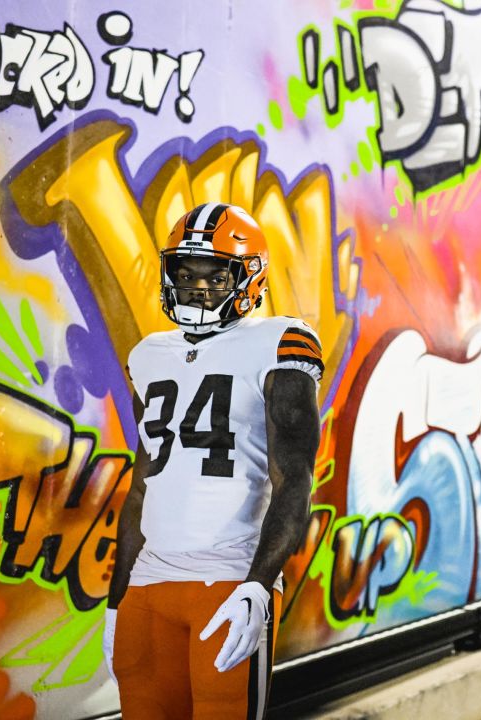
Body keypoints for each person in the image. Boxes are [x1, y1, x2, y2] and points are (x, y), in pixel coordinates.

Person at [103, 203, 322, 719]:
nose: (197, 287)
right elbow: (143, 484)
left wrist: (257, 585)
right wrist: (117, 597)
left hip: (227, 581)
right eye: (184, 273)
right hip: (148, 586)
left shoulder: (280, 342)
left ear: (246, 278)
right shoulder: (149, 354)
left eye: (216, 274)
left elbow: (294, 482)